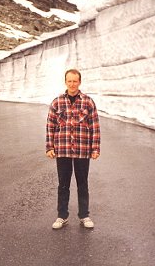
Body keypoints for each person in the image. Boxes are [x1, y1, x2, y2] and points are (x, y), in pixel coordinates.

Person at [46, 69, 101, 229]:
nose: (72, 84)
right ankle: (62, 216)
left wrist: (95, 147)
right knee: (63, 184)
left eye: (75, 81)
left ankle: (84, 215)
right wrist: (50, 146)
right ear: (65, 82)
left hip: (83, 149)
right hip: (62, 149)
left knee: (82, 183)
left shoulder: (88, 102)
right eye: (69, 81)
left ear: (80, 82)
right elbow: (50, 126)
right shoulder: (57, 102)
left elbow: (95, 126)